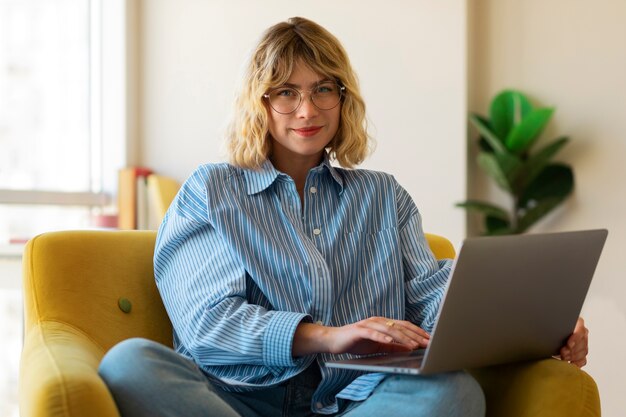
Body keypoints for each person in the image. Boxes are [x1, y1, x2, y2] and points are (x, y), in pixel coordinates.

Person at [98, 16, 589, 417]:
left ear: (342, 97)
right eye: (286, 92)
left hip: (353, 401)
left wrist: (541, 327)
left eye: (323, 89)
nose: (307, 109)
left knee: (454, 393)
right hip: (236, 398)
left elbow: (429, 297)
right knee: (129, 364)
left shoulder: (383, 197)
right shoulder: (212, 190)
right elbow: (208, 323)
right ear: (259, 102)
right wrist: (328, 335)